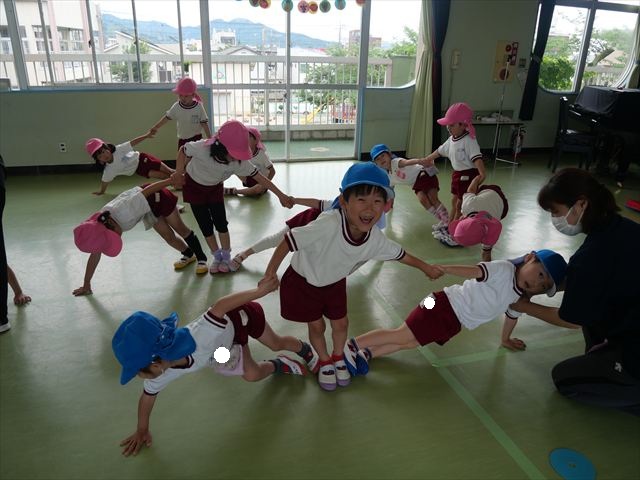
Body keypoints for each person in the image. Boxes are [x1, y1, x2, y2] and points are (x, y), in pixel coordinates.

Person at [260, 162, 443, 391]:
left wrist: (426, 267)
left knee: (342, 323)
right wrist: (270, 272)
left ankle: (338, 357)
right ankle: (324, 360)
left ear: (385, 206)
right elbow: (289, 241)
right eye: (361, 200)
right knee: (317, 326)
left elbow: (400, 254)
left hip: (334, 282)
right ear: (344, 201)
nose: (370, 208)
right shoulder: (329, 223)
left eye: (377, 201)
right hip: (305, 281)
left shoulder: (374, 238)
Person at [112, 278, 312, 457]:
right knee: (251, 374)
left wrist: (260, 291)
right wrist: (142, 429)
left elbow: (221, 306)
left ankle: (304, 349)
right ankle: (279, 364)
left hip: (240, 316)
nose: (141, 378)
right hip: (223, 346)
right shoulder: (161, 373)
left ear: (155, 364)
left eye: (139, 372)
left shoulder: (199, 335)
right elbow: (147, 397)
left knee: (275, 343)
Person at [511, 168, 640, 415]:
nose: (555, 219)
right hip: (631, 318)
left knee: (565, 379)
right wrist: (543, 286)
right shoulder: (622, 229)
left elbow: (570, 319)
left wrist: (522, 305)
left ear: (581, 204)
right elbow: (590, 281)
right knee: (595, 322)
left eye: (556, 212)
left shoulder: (590, 256)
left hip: (635, 349)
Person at [346, 249, 573, 376]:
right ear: (529, 258)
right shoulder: (504, 269)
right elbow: (475, 271)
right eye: (540, 274)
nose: (537, 283)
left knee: (411, 342)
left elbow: (512, 316)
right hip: (439, 303)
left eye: (543, 286)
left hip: (453, 322)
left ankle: (368, 353)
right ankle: (352, 345)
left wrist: (505, 339)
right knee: (401, 334)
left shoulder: (518, 297)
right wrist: (446, 269)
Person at [172, 120, 294, 275]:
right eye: (234, 152)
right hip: (194, 187)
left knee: (221, 223)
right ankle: (217, 256)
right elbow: (183, 150)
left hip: (215, 189)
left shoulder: (240, 162)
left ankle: (226, 256)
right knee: (205, 225)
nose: (237, 157)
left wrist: (281, 195)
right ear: (220, 146)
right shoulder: (202, 148)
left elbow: (261, 178)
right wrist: (178, 172)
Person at [72, 178, 208, 296]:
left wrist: (171, 181)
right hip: (145, 208)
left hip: (156, 196)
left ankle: (202, 258)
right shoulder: (100, 226)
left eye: (115, 236)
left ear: (111, 225)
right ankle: (189, 255)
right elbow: (95, 255)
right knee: (168, 237)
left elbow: (147, 191)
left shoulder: (125, 211)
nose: (118, 238)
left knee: (181, 229)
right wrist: (86, 284)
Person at [423, 102, 487, 235]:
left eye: (452, 125)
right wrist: (427, 159)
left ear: (463, 125)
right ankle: (449, 223)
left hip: (468, 175)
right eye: (448, 125)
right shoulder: (452, 139)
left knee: (460, 204)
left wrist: (482, 173)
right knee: (454, 201)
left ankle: (454, 230)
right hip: (457, 175)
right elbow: (440, 151)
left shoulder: (469, 140)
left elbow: (477, 157)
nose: (448, 127)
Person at [370, 143, 450, 236]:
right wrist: (389, 204)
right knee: (424, 201)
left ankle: (447, 222)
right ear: (376, 163)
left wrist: (421, 161)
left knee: (432, 198)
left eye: (383, 156)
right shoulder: (389, 176)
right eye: (378, 159)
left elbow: (408, 162)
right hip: (417, 182)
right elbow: (390, 191)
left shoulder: (395, 162)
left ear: (389, 154)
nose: (381, 159)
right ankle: (443, 220)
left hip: (423, 172)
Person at [436, 175, 509, 260]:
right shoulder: (468, 205)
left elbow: (486, 254)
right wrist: (476, 179)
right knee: (465, 203)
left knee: (461, 206)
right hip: (491, 191)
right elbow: (471, 190)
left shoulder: (490, 233)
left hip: (503, 209)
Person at [86, 131, 175, 196]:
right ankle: (176, 183)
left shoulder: (118, 150)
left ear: (108, 148)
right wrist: (101, 191)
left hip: (142, 158)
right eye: (100, 156)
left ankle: (180, 177)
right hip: (139, 169)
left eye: (104, 151)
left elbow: (133, 142)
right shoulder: (109, 170)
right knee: (162, 176)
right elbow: (105, 181)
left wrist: (146, 136)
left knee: (169, 171)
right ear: (100, 161)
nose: (104, 155)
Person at [149, 77, 212, 149]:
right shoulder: (177, 106)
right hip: (182, 140)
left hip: (196, 139)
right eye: (180, 95)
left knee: (197, 156)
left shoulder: (198, 107)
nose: (183, 98)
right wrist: (156, 127)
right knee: (182, 156)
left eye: (186, 96)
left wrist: (210, 139)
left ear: (193, 95)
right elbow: (166, 118)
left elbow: (204, 124)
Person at [224, 127, 276, 197]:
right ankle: (217, 185)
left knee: (257, 190)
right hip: (249, 178)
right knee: (233, 165)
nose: (246, 140)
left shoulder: (261, 154)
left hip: (261, 181)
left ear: (256, 141)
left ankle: (234, 191)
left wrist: (265, 185)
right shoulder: (244, 152)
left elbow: (272, 171)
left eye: (249, 137)